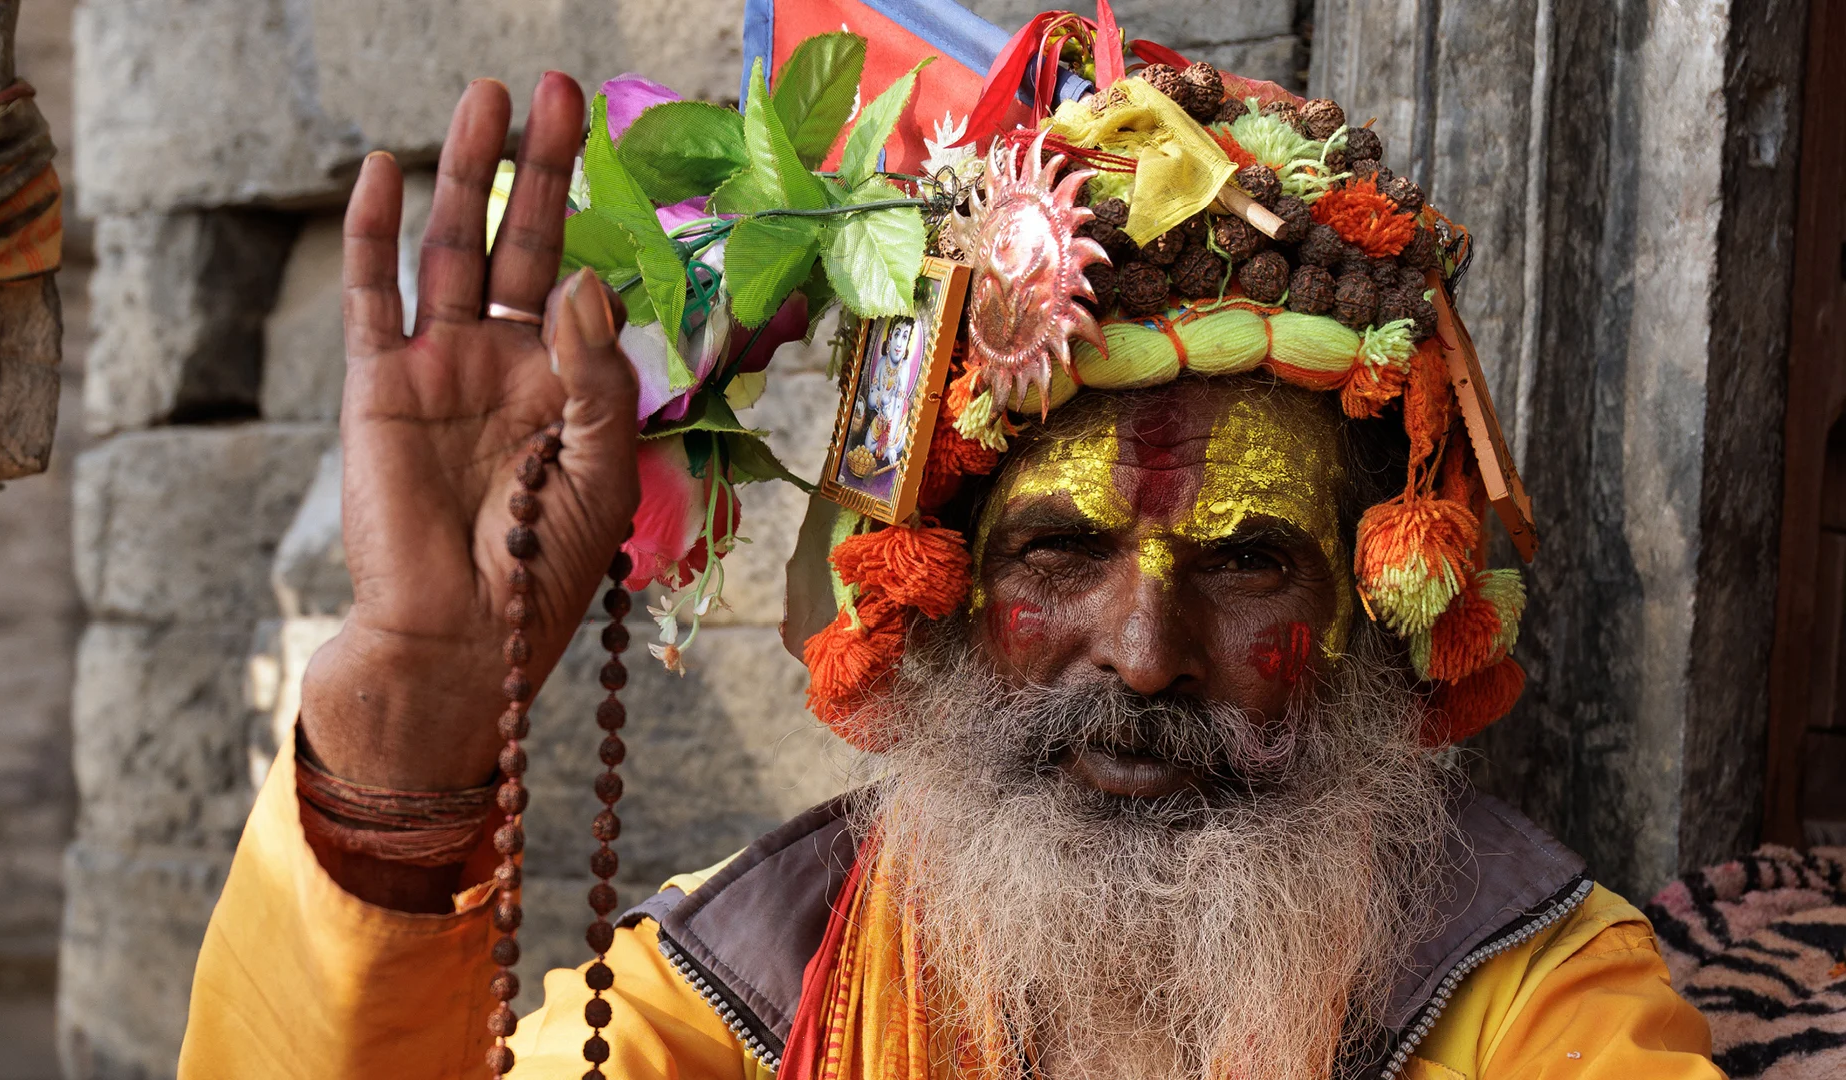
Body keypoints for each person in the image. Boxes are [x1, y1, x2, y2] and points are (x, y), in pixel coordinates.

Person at [177, 74, 1723, 1080]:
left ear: (1379, 613)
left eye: (1251, 562)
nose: (1142, 649)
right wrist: (409, 727)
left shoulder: (1525, 1005)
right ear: (930, 597)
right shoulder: (751, 989)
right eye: (1059, 549)